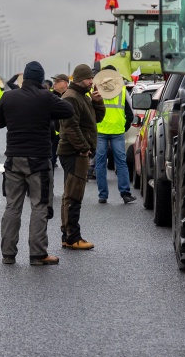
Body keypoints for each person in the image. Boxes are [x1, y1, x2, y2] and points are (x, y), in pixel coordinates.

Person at [0, 61, 74, 266]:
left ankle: (8, 254)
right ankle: (38, 254)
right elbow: (68, 110)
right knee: (39, 206)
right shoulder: (46, 97)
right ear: (40, 79)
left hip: (13, 160)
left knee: (12, 207)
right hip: (38, 161)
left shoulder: (8, 97)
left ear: (23, 78)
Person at [57, 64, 104, 250]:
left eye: (92, 78)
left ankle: (67, 235)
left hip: (76, 151)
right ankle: (72, 237)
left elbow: (95, 120)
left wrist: (97, 102)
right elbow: (70, 126)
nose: (91, 82)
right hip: (74, 152)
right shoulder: (70, 97)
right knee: (74, 196)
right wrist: (83, 148)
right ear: (78, 79)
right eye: (88, 79)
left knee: (70, 194)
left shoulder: (82, 96)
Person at [93, 67, 136, 204]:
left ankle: (102, 195)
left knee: (100, 164)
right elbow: (131, 113)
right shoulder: (122, 90)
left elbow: (90, 111)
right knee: (121, 163)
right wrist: (123, 127)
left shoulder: (96, 90)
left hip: (100, 131)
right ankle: (125, 194)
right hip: (117, 132)